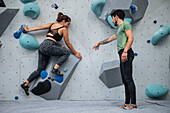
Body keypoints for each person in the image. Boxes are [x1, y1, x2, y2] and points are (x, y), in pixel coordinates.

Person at [21, 12, 82, 96]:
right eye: (68, 23)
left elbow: (39, 28)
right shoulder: (63, 29)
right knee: (67, 52)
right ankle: (55, 68)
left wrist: (28, 30)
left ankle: (25, 84)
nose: (68, 26)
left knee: (40, 69)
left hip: (42, 46)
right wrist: (75, 53)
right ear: (64, 21)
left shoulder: (51, 25)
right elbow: (68, 43)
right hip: (49, 46)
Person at [93, 9, 137, 110]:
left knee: (128, 78)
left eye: (112, 19)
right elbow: (110, 38)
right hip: (122, 53)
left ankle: (133, 103)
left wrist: (125, 51)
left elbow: (131, 38)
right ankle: (127, 103)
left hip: (126, 52)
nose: (112, 21)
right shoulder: (120, 28)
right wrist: (99, 43)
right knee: (125, 79)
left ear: (116, 17)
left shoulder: (126, 24)